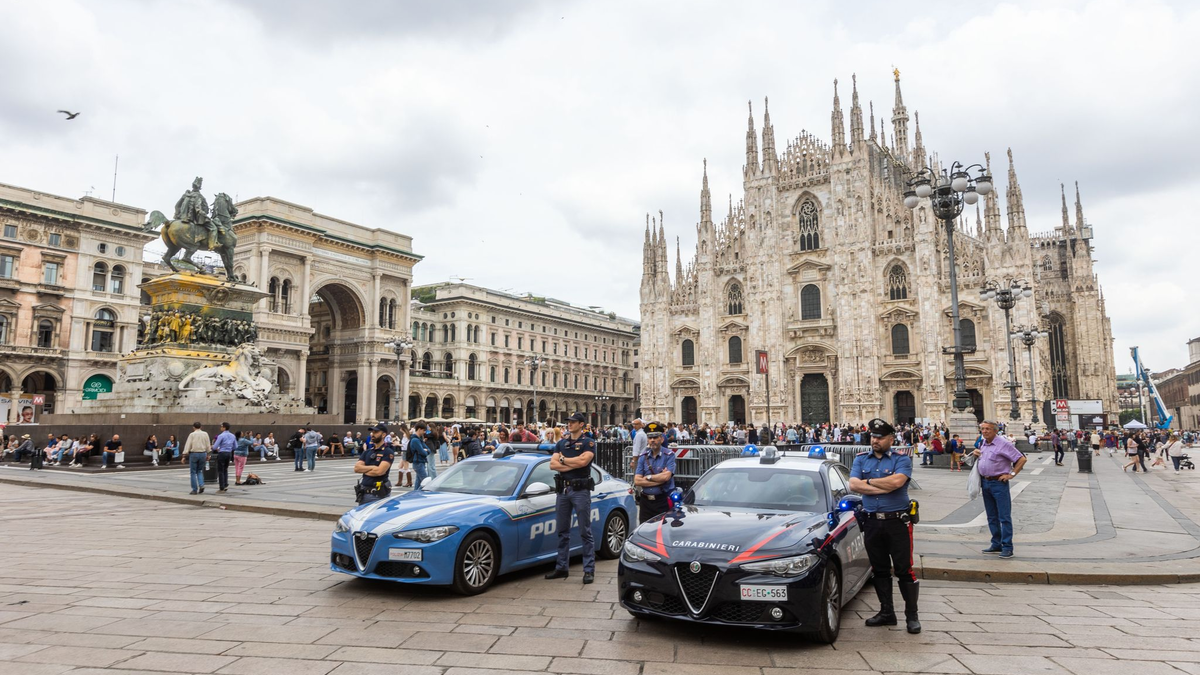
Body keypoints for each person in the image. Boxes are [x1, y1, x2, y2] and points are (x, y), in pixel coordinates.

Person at [848, 418, 920, 634]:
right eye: (873, 436)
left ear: (891, 438)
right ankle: (887, 612)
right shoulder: (861, 459)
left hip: (898, 522)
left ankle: (912, 616)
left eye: (880, 437)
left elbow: (898, 483)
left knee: (904, 570)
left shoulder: (902, 459)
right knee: (879, 569)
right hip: (871, 522)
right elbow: (853, 485)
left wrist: (867, 484)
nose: (875, 440)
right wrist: (880, 486)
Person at [545, 412, 596, 584]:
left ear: (581, 424)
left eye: (573, 422)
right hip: (563, 491)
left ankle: (588, 570)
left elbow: (584, 462)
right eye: (569, 422)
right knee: (562, 531)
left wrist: (563, 460)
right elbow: (553, 465)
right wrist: (571, 461)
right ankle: (561, 567)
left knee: (584, 531)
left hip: (580, 490)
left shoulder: (588, 442)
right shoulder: (561, 443)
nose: (569, 424)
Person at [973, 421, 1027, 559]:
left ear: (995, 431)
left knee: (1004, 516)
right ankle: (996, 543)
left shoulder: (1003, 444)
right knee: (991, 516)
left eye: (988, 429)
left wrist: (1012, 474)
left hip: (998, 483)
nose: (984, 431)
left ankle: (1007, 546)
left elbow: (1021, 459)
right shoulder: (983, 443)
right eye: (983, 429)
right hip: (985, 482)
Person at [633, 422, 675, 524]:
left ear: (662, 439)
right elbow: (637, 480)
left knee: (663, 531)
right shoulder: (643, 456)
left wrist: (648, 477)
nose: (652, 440)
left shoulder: (669, 455)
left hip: (662, 500)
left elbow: (666, 477)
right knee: (644, 531)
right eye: (650, 437)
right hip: (645, 502)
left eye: (655, 437)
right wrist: (658, 479)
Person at [355, 423, 394, 504]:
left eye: (376, 432)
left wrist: (365, 470)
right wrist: (373, 467)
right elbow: (357, 468)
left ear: (383, 435)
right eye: (372, 432)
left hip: (378, 495)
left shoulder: (387, 452)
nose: (373, 434)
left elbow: (380, 471)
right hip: (364, 493)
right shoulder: (368, 452)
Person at [184, 422, 210, 494]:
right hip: (203, 453)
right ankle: (201, 484)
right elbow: (208, 445)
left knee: (193, 472)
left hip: (194, 454)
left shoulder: (192, 434)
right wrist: (208, 453)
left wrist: (184, 455)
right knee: (200, 470)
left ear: (193, 427)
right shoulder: (205, 434)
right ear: (201, 427)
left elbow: (188, 445)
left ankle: (194, 489)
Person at [211, 422, 236, 491]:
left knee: (220, 470)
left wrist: (214, 447)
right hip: (229, 453)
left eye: (221, 426)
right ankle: (225, 483)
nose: (220, 428)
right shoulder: (232, 436)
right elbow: (235, 446)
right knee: (225, 468)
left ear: (224, 427)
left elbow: (215, 446)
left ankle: (221, 485)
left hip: (222, 453)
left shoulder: (221, 436)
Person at [409, 422, 431, 486]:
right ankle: (419, 494)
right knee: (426, 482)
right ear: (419, 429)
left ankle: (416, 494)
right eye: (424, 430)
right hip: (418, 462)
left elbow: (428, 449)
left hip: (420, 462)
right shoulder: (415, 440)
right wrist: (426, 450)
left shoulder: (419, 439)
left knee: (418, 483)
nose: (424, 432)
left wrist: (426, 450)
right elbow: (423, 452)